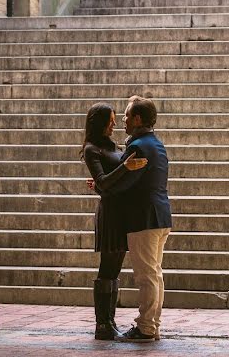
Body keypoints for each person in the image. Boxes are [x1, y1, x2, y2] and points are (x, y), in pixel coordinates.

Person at [104, 95, 173, 343]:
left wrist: (102, 185)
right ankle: (151, 325)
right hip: (160, 216)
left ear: (137, 118)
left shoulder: (138, 147)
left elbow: (123, 183)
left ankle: (145, 327)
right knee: (155, 274)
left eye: (126, 115)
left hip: (143, 218)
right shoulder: (156, 143)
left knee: (146, 276)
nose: (123, 120)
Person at [80, 102, 147, 340]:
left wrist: (99, 185)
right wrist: (125, 167)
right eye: (110, 120)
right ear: (100, 122)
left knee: (114, 267)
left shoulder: (113, 146)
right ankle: (103, 325)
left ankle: (109, 322)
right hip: (110, 215)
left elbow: (105, 185)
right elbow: (106, 181)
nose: (115, 124)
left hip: (121, 212)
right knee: (107, 268)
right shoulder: (91, 149)